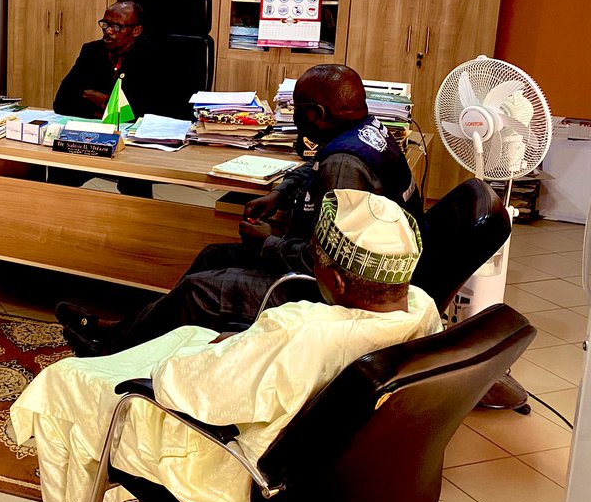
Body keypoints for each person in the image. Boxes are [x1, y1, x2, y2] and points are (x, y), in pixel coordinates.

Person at [2, 190, 440, 502]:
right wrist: (238, 346)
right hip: (331, 477)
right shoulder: (421, 308)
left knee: (62, 387)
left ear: (341, 279)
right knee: (191, 333)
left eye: (316, 259)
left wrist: (222, 353)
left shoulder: (301, 332)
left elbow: (181, 389)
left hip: (237, 473)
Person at [58, 64, 424, 355]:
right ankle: (123, 334)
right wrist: (280, 193)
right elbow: (312, 167)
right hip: (330, 272)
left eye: (295, 109)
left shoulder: (343, 166)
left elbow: (325, 262)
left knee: (199, 291)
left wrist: (267, 244)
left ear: (315, 114)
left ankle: (108, 347)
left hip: (327, 291)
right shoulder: (366, 131)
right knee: (212, 255)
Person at [52, 1, 166, 120]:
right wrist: (108, 113)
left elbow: (151, 110)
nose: (108, 31)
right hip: (93, 129)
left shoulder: (153, 58)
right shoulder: (92, 51)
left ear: (136, 30)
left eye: (117, 27)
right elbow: (61, 102)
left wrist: (103, 101)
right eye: (105, 24)